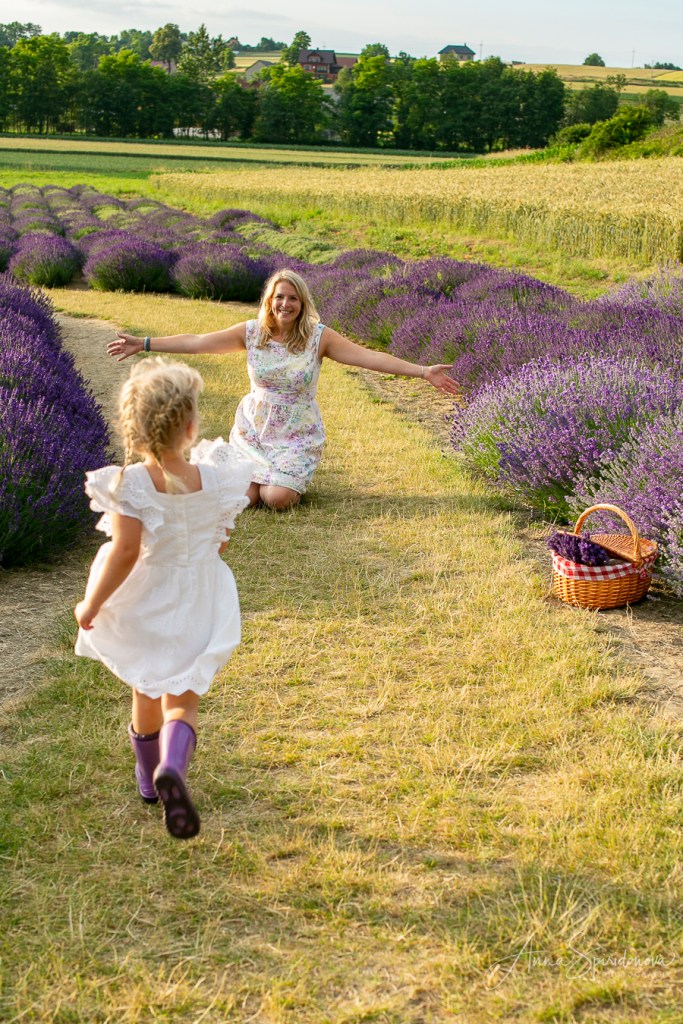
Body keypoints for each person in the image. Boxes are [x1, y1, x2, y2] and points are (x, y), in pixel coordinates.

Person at [74, 358, 255, 840]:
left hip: (149, 599)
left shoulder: (131, 484)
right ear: (190, 426)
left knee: (146, 687)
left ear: (133, 427)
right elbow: (219, 542)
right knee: (183, 698)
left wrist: (92, 604)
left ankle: (148, 780)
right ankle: (173, 767)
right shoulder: (215, 479)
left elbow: (125, 552)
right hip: (199, 596)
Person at [108, 268, 460, 511]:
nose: (285, 305)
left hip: (296, 433)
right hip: (254, 428)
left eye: (293, 298)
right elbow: (199, 342)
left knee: (275, 498)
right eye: (279, 297)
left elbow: (369, 358)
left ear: (302, 303)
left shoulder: (319, 337)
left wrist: (423, 371)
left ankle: (282, 480)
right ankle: (254, 479)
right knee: (244, 499)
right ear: (269, 301)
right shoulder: (251, 332)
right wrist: (145, 343)